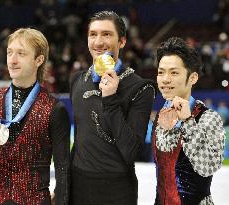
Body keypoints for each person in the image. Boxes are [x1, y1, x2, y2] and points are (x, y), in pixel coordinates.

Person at [0, 28, 70, 205]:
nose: (12, 60)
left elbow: (63, 171)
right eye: (9, 53)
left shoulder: (54, 109)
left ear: (39, 59)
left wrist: (60, 200)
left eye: (21, 53)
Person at [70, 10, 155, 205]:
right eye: (93, 34)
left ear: (122, 41)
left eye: (106, 34)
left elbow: (131, 151)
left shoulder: (141, 87)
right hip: (78, 189)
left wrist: (110, 99)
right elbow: (80, 142)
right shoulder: (77, 80)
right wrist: (63, 187)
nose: (98, 42)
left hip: (117, 192)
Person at [152, 37, 226, 205]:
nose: (165, 79)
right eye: (161, 72)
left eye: (174, 72)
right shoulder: (160, 116)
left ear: (192, 78)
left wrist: (188, 121)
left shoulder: (208, 118)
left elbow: (208, 167)